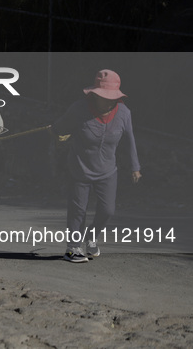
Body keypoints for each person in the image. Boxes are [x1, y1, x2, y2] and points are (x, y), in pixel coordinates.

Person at [51, 69, 142, 263]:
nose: (109, 101)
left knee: (108, 210)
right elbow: (60, 126)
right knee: (78, 209)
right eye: (104, 96)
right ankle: (73, 248)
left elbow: (130, 140)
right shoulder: (79, 109)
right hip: (80, 168)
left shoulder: (124, 113)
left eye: (112, 97)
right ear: (94, 94)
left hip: (107, 171)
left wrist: (135, 166)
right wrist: (58, 131)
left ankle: (91, 238)